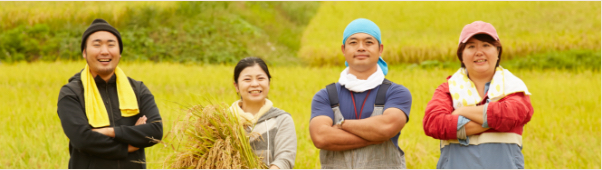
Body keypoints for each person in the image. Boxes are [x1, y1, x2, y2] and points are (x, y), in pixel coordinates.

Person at [423, 21, 534, 169]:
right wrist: (494, 121)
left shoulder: (513, 87)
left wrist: (461, 112)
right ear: (461, 55)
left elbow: (513, 114)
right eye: (471, 46)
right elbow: (433, 123)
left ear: (498, 52)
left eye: (486, 45)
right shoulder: (448, 89)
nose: (479, 52)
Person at [56, 18, 163, 169]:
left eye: (111, 44)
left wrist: (109, 131)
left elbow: (155, 131)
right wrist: (129, 145)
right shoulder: (71, 93)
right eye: (97, 44)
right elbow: (83, 139)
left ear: (119, 53)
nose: (104, 51)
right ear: (84, 53)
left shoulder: (138, 89)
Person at [308, 18, 412, 169]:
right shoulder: (326, 95)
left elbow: (386, 127)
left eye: (369, 42)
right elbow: (320, 137)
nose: (361, 48)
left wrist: (342, 125)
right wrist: (375, 136)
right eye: (353, 42)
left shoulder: (396, 92)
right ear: (344, 50)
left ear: (380, 49)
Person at [228, 57, 297, 169]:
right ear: (236, 86)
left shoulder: (281, 120)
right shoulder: (223, 121)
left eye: (260, 78)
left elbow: (285, 159)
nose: (255, 84)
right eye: (247, 79)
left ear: (269, 83)